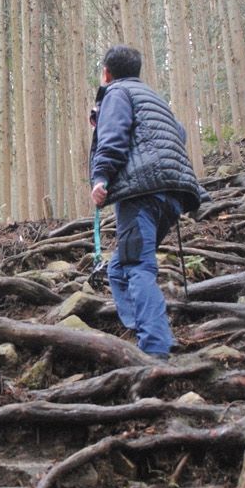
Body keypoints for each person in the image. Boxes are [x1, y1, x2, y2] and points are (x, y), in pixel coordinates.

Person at [89, 44, 206, 359]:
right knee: (118, 268)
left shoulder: (115, 94)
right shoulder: (153, 98)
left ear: (106, 73)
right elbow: (177, 134)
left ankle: (155, 348)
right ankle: (145, 326)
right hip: (173, 193)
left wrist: (100, 178)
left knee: (137, 266)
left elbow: (113, 138)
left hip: (141, 194)